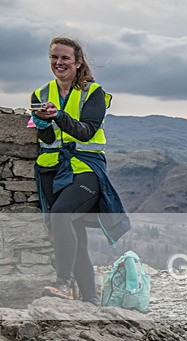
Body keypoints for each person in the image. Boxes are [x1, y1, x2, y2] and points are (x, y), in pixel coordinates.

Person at [31, 36, 130, 304]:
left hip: (85, 168)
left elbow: (86, 132)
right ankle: (91, 301)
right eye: (54, 57)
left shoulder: (93, 93)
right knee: (75, 234)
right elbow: (47, 139)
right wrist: (42, 124)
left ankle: (63, 283)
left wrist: (58, 116)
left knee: (61, 216)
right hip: (51, 170)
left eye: (65, 58)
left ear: (77, 62)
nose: (59, 62)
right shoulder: (40, 94)